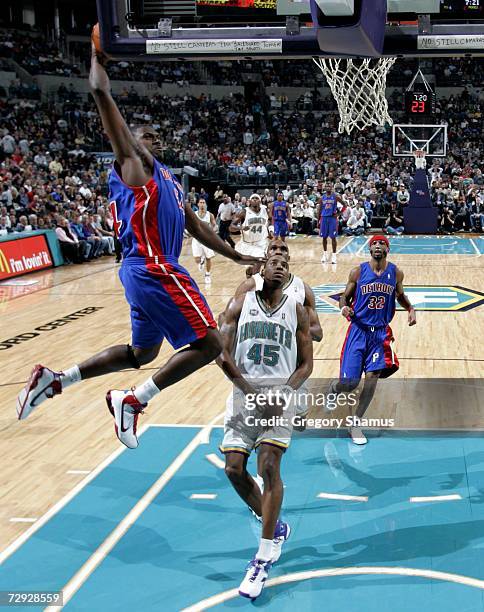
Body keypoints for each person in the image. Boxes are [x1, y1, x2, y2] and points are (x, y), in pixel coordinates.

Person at [16, 39, 263, 448]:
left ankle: (57, 379)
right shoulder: (135, 166)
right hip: (154, 266)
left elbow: (197, 227)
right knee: (209, 343)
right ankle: (133, 399)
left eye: (156, 136)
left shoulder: (166, 176)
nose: (154, 139)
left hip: (141, 271)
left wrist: (234, 253)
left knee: (142, 353)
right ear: (132, 142)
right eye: (145, 135)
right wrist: (97, 59)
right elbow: (99, 92)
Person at [217, 254, 313, 600]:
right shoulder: (239, 304)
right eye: (273, 261)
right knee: (233, 469)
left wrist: (285, 392)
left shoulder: (297, 309)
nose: (279, 266)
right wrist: (248, 389)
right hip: (244, 396)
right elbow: (220, 352)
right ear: (261, 269)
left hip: (279, 398)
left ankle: (263, 555)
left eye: (284, 263)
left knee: (269, 466)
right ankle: (274, 524)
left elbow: (306, 364)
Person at [333, 235, 416, 445]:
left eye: (382, 243)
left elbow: (399, 295)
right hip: (358, 330)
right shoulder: (358, 271)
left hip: (379, 333)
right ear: (370, 249)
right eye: (374, 243)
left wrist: (410, 308)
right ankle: (334, 389)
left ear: (388, 249)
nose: (378, 246)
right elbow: (345, 296)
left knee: (372, 378)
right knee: (349, 384)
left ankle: (355, 422)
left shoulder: (395, 272)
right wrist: (343, 307)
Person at [234, 239, 323, 343]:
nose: (279, 251)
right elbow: (232, 325)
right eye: (273, 248)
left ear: (288, 258)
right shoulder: (249, 286)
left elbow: (317, 333)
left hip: (288, 357)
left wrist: (285, 328)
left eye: (283, 249)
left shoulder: (303, 289)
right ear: (266, 255)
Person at [232, 193, 270, 261]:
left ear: (260, 201)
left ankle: (258, 271)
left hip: (261, 243)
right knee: (250, 268)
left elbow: (269, 221)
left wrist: (270, 231)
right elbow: (231, 227)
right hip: (248, 244)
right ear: (249, 201)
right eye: (253, 198)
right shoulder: (244, 212)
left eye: (257, 198)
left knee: (260, 261)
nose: (255, 200)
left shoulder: (265, 211)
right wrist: (241, 228)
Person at [191, 198, 216, 284]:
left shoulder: (210, 215)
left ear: (206, 204)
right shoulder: (193, 215)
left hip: (207, 239)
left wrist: (213, 231)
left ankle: (208, 274)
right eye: (200, 202)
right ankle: (200, 262)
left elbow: (214, 225)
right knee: (196, 258)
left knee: (208, 258)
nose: (202, 204)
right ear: (198, 204)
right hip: (196, 239)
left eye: (203, 203)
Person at [316, 183, 342, 264]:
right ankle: (325, 254)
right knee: (324, 237)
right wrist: (318, 220)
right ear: (324, 188)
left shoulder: (335, 197)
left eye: (329, 186)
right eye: (326, 186)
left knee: (333, 237)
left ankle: (334, 256)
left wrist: (338, 214)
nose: (328, 187)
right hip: (324, 218)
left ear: (332, 187)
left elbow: (344, 205)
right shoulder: (322, 198)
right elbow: (319, 210)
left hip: (332, 219)